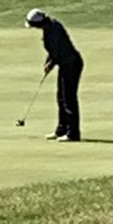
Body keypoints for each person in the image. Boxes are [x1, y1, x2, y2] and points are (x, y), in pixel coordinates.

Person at [25, 8, 83, 141]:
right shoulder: (50, 26)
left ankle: (73, 134)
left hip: (72, 64)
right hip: (65, 64)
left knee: (68, 99)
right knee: (61, 98)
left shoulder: (53, 32)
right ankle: (61, 130)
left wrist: (49, 65)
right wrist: (48, 63)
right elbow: (52, 52)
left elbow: (56, 54)